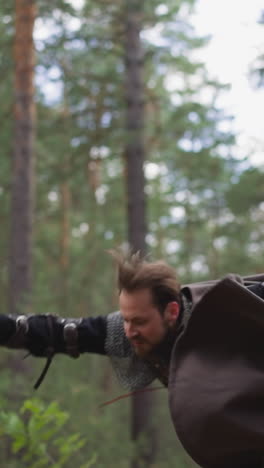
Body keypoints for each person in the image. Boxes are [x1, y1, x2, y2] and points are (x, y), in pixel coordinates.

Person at [1, 251, 264, 468]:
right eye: (125, 319)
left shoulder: (231, 312)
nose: (129, 331)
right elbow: (63, 332)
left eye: (138, 321)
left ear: (171, 311)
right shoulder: (140, 329)